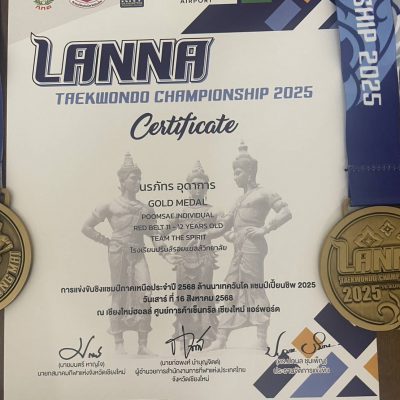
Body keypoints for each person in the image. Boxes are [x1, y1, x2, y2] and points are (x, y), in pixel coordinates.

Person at [208, 142, 292, 350]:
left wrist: (266, 228)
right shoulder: (237, 200)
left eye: (238, 173)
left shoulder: (264, 193)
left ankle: (261, 338)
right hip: (238, 247)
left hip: (253, 245)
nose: (234, 177)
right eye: (234, 173)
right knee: (231, 287)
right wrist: (203, 234)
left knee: (254, 287)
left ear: (250, 172)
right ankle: (221, 338)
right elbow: (223, 226)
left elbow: (285, 212)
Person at [82, 153, 159, 356]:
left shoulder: (146, 209)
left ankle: (142, 345)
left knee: (145, 294)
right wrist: (106, 241)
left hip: (138, 252)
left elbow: (155, 236)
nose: (138, 182)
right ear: (123, 181)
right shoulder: (110, 205)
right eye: (134, 178)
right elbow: (86, 227)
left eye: (139, 178)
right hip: (118, 253)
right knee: (119, 294)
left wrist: (167, 254)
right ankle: (118, 343)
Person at [163, 161, 220, 347]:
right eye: (194, 185)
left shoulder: (212, 211)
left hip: (204, 257)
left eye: (202, 185)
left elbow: (224, 229)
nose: (198, 189)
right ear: (188, 187)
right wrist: (166, 252)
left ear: (206, 188)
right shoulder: (181, 211)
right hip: (184, 259)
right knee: (183, 296)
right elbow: (160, 233)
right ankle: (184, 337)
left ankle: (207, 337)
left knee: (204, 294)